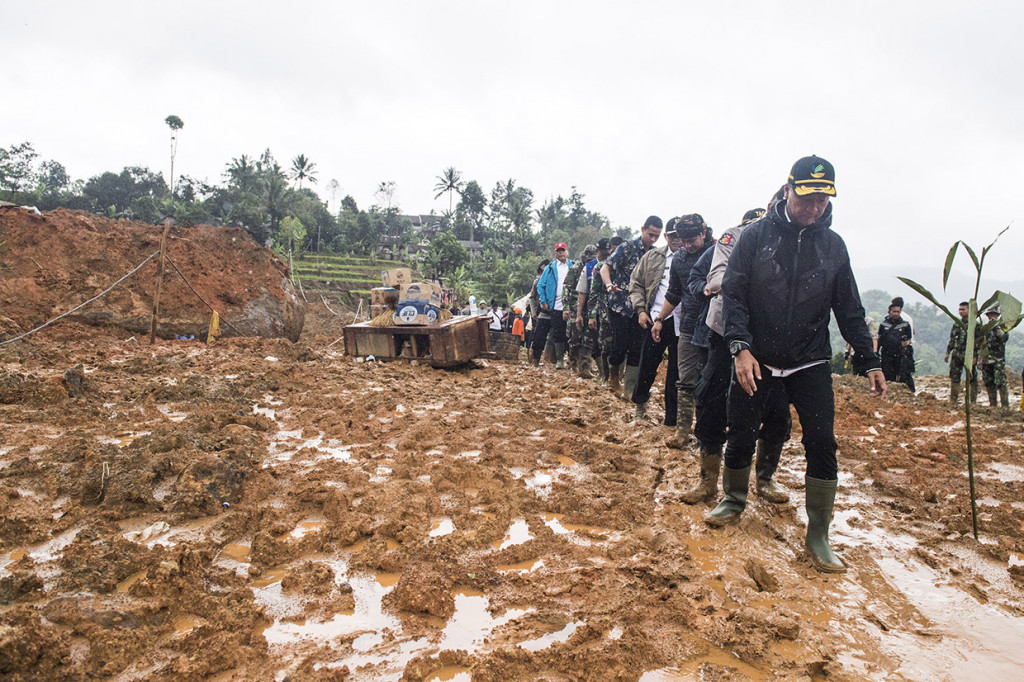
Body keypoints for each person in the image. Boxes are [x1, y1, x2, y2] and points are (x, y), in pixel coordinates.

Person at [708, 155, 885, 575]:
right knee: (742, 430)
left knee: (821, 441)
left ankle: (818, 533)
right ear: (787, 190)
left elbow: (849, 309)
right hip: (758, 357)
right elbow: (734, 296)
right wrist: (740, 348)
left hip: (810, 360)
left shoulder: (833, 245)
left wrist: (870, 360)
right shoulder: (755, 237)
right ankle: (733, 498)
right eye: (806, 198)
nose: (814, 208)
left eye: (823, 200)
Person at [679, 207, 792, 505]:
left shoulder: (792, 240)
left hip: (770, 338)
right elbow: (715, 280)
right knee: (712, 400)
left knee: (776, 406)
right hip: (724, 331)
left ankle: (765, 478)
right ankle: (707, 480)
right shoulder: (733, 237)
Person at [647, 215, 715, 443]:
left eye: (691, 240)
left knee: (711, 383)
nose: (686, 245)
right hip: (688, 327)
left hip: (714, 328)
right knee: (685, 381)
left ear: (703, 233)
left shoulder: (719, 253)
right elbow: (674, 294)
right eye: (683, 241)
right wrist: (659, 319)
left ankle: (707, 437)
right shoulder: (680, 258)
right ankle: (682, 432)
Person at [629, 221, 683, 424]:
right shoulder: (652, 257)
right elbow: (636, 284)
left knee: (676, 373)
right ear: (666, 237)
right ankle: (640, 407)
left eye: (680, 235)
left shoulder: (692, 257)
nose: (677, 240)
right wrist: (641, 311)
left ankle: (672, 420)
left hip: (682, 322)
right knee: (647, 365)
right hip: (655, 318)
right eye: (673, 235)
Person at [601, 217, 663, 397]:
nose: (652, 239)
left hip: (641, 309)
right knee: (620, 345)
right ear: (643, 229)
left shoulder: (655, 254)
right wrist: (609, 285)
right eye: (650, 234)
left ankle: (629, 388)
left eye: (656, 236)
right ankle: (614, 379)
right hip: (620, 305)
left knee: (637, 348)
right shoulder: (627, 247)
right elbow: (606, 268)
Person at [588, 237, 623, 384]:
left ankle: (618, 378)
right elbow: (594, 292)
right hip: (605, 312)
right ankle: (605, 376)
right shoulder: (600, 267)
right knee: (605, 345)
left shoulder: (628, 266)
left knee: (622, 345)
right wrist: (591, 315)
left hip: (624, 312)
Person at [534, 243, 573, 368]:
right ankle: (559, 360)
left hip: (571, 305)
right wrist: (544, 301)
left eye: (563, 250)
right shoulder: (550, 267)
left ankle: (573, 361)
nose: (561, 253)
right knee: (558, 332)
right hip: (555, 305)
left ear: (567, 251)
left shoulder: (573, 266)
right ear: (555, 253)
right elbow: (540, 285)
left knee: (572, 334)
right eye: (558, 251)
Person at [563, 244, 598, 373]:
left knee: (589, 337)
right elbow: (566, 288)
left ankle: (585, 366)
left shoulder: (596, 267)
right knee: (575, 336)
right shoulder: (575, 269)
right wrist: (566, 307)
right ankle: (573, 362)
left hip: (590, 306)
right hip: (574, 306)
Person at [944, 301, 980, 406]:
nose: (961, 312)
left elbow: (979, 342)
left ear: (969, 310)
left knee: (972, 378)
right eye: (960, 309)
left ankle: (972, 401)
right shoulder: (957, 323)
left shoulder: (975, 325)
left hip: (969, 355)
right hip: (957, 354)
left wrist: (976, 357)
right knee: (954, 377)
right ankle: (953, 400)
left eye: (963, 309)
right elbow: (952, 339)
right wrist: (948, 352)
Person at [877, 302, 915, 392]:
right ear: (889, 312)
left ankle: (910, 393)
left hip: (901, 355)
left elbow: (909, 339)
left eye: (898, 312)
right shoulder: (883, 325)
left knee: (904, 375)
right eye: (894, 311)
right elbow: (879, 339)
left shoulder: (905, 325)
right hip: (887, 354)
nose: (896, 314)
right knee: (888, 376)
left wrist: (905, 344)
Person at [981, 306, 1010, 407]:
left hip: (998, 360)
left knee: (1001, 382)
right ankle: (993, 406)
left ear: (997, 315)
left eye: (994, 314)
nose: (992, 316)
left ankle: (1005, 407)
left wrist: (997, 327)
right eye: (990, 314)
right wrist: (980, 359)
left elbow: (1004, 338)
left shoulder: (1003, 327)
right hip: (986, 360)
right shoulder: (985, 328)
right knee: (989, 382)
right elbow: (981, 344)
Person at [527, 259, 550, 356]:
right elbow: (532, 297)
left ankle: (548, 357)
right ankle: (533, 355)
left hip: (552, 310)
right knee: (537, 335)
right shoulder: (537, 282)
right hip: (539, 311)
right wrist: (533, 312)